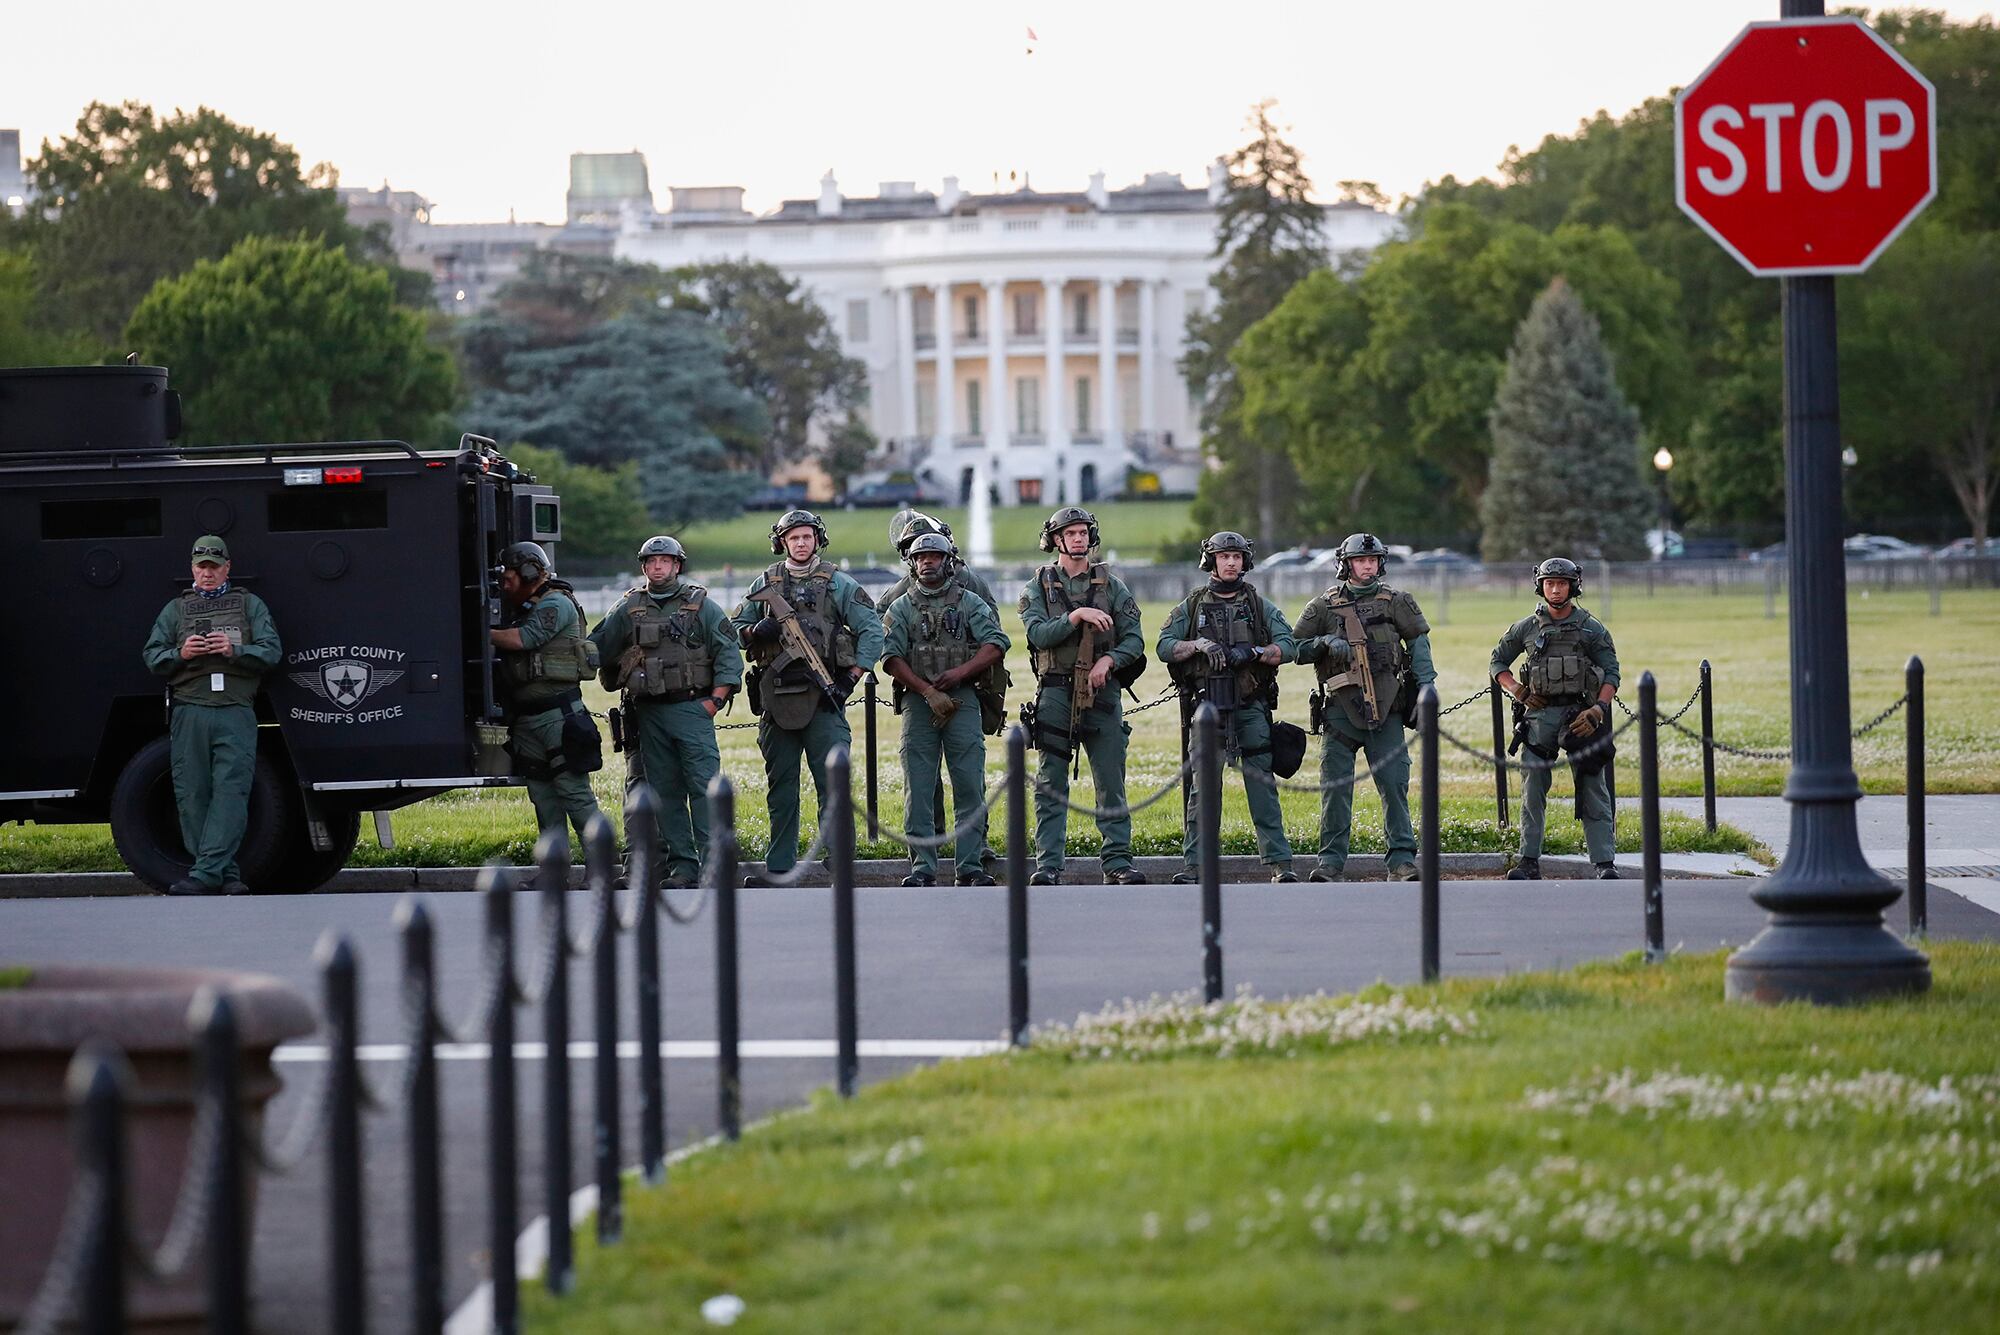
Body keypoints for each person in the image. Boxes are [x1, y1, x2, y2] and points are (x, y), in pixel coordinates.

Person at [731, 509, 884, 882]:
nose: (801, 543)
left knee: (832, 785)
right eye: (793, 537)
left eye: (807, 536)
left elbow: (872, 631)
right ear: (782, 542)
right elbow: (732, 628)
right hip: (777, 699)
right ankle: (779, 865)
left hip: (823, 698)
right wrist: (756, 631)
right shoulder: (765, 582)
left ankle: (840, 863)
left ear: (818, 539)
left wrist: (852, 676)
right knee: (781, 788)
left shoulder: (838, 583)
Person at [590, 535, 740, 888]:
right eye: (651, 561)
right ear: (643, 567)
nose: (658, 567)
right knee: (665, 794)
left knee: (704, 789)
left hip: (692, 708)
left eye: (665, 561)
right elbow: (597, 647)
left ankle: (714, 866)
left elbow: (729, 653)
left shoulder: (701, 605)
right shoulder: (628, 608)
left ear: (677, 565)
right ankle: (683, 868)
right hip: (649, 713)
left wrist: (714, 701)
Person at [140, 535, 282, 895]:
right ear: (192, 568)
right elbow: (152, 656)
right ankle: (228, 874)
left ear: (227, 568)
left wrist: (235, 650)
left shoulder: (250, 606)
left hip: (235, 711)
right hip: (191, 710)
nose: (207, 574)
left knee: (231, 792)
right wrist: (181, 653)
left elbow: (272, 652)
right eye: (201, 566)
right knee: (192, 794)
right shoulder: (175, 611)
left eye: (214, 566)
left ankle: (204, 875)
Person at [1292, 532, 1437, 882]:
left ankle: (1401, 861)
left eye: (1372, 560)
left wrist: (1426, 689)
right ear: (1347, 564)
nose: (1368, 566)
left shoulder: (1397, 601)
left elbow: (1418, 644)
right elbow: (1294, 648)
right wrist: (1325, 642)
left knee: (1394, 784)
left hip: (1387, 708)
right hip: (1340, 712)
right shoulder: (1323, 606)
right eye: (1360, 560)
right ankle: (1330, 864)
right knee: (1335, 789)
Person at [1157, 531, 1298, 883]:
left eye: (1236, 556)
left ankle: (1281, 864)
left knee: (1262, 787)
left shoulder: (1259, 606)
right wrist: (1198, 645)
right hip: (1206, 710)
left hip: (1250, 706)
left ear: (1245, 561)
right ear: (1212, 561)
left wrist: (1252, 653)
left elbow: (1289, 647)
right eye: (1224, 556)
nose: (1231, 562)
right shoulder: (1191, 606)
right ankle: (1195, 866)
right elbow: (1164, 646)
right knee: (1202, 791)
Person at [1017, 506, 1147, 885]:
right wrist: (1076, 617)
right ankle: (1049, 865)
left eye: (1083, 532)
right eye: (1070, 533)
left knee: (1111, 780)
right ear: (1056, 540)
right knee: (1051, 781)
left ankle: (1117, 861)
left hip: (1103, 694)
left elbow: (1135, 640)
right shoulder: (1036, 587)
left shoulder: (1113, 586)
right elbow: (1038, 635)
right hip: (1056, 693)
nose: (1078, 539)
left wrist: (1109, 659)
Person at [880, 531, 1010, 886]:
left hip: (963, 699)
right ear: (912, 563)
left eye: (934, 556)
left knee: (969, 782)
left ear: (947, 561)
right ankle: (922, 868)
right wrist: (924, 689)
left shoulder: (969, 602)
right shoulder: (901, 606)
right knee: (918, 787)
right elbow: (889, 655)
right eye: (921, 558)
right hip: (918, 704)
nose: (927, 562)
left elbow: (997, 643)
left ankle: (969, 866)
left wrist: (959, 674)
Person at [1489, 556, 1622, 880]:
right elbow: (1497, 662)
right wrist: (1518, 691)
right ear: (1540, 586)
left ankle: (1603, 862)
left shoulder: (1591, 627)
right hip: (1539, 718)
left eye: (1561, 583)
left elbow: (1612, 673)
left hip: (1581, 717)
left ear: (1573, 586)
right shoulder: (1527, 627)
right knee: (1533, 788)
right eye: (1550, 583)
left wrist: (1598, 709)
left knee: (1593, 786)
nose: (1556, 589)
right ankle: (1528, 860)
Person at [489, 542, 605, 875]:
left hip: (558, 718)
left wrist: (481, 632)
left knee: (574, 794)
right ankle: (554, 873)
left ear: (527, 571)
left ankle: (600, 871)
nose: (504, 583)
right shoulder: (524, 606)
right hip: (528, 720)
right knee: (543, 798)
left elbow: (523, 640)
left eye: (508, 576)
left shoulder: (555, 604)